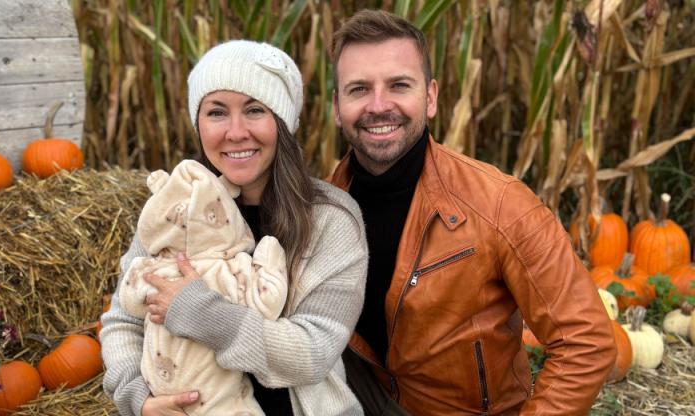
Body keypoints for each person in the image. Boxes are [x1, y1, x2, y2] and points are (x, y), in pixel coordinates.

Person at [328, 10, 617, 416]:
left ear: (430, 97)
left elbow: (586, 341)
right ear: (337, 106)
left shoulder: (500, 205)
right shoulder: (317, 210)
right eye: (359, 89)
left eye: (399, 85)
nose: (378, 105)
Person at [101, 39, 368, 416]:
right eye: (217, 112)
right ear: (198, 124)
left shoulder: (331, 220)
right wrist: (138, 399)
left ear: (282, 122)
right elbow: (123, 320)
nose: (236, 131)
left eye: (255, 110)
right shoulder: (173, 208)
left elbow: (312, 353)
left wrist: (201, 313)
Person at [116, 158, 289, 415]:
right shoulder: (227, 271)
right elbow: (267, 301)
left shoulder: (153, 267)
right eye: (216, 114)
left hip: (175, 389)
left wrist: (193, 309)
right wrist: (268, 260)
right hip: (206, 404)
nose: (235, 136)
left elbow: (130, 299)